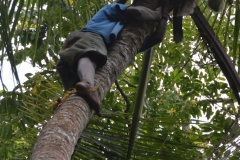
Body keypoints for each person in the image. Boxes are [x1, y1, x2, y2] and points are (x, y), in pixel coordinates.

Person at [56, 0, 170, 116]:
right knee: (89, 55)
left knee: (76, 89)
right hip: (90, 36)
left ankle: (69, 106)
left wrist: (165, 16)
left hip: (72, 57)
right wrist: (157, 15)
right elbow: (137, 12)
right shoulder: (111, 8)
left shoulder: (128, 40)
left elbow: (157, 38)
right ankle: (88, 83)